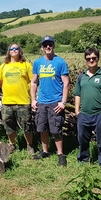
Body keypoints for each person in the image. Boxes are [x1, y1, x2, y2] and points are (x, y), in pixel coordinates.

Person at [73, 47, 101, 175]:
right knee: (82, 139)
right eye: (88, 58)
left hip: (100, 115)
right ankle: (83, 159)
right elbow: (77, 94)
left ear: (98, 58)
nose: (91, 60)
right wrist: (77, 111)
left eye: (94, 58)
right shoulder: (81, 76)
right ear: (85, 60)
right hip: (84, 114)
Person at [30, 35, 70, 166]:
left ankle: (60, 154)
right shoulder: (37, 63)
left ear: (53, 46)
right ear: (42, 48)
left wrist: (63, 102)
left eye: (50, 44)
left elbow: (66, 83)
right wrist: (33, 100)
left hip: (55, 102)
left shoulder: (60, 62)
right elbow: (34, 82)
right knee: (42, 128)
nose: (48, 47)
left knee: (56, 129)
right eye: (45, 45)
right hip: (42, 102)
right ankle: (45, 151)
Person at [0, 43, 35, 155]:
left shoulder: (26, 65)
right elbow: (0, 82)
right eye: (12, 49)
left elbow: (33, 82)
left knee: (26, 125)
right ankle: (12, 145)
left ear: (20, 51)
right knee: (8, 125)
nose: (14, 50)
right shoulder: (3, 66)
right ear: (9, 52)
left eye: (16, 48)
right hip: (7, 101)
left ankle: (30, 145)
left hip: (23, 101)